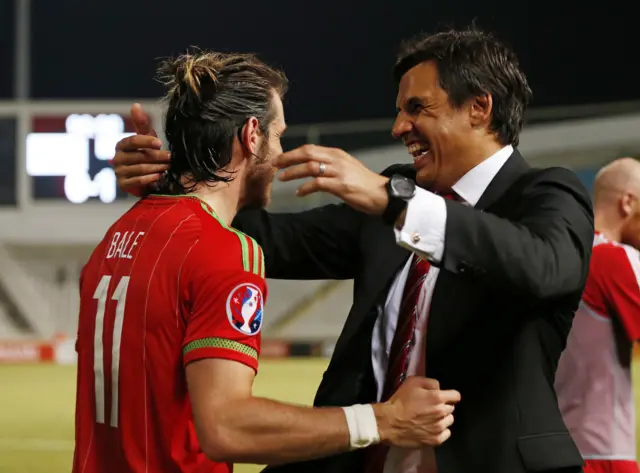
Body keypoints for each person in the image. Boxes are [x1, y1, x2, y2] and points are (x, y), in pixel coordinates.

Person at [112, 27, 594, 473]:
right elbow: (271, 241)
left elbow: (546, 267)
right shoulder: (397, 195)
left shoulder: (546, 193)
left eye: (416, 108)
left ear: (479, 108)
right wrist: (183, 178)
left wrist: (397, 202)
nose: (398, 126)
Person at [73, 49, 460, 473]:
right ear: (252, 135)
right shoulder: (226, 250)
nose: (279, 154)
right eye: (278, 135)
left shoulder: (120, 235)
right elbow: (226, 428)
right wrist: (381, 420)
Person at [555, 158, 640, 473]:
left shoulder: (559, 256)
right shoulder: (612, 259)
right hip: (604, 454)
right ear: (627, 202)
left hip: (555, 447)